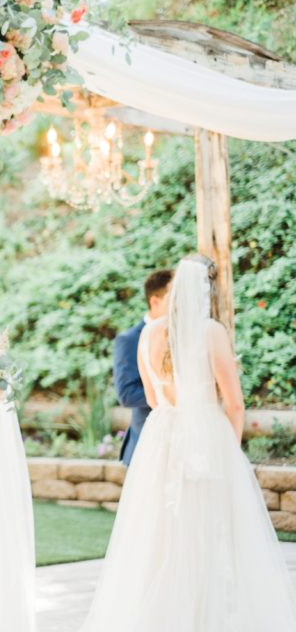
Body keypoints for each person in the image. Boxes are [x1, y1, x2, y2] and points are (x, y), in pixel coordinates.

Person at [81, 254, 296, 631]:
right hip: (203, 436)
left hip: (161, 437)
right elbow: (234, 402)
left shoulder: (148, 333)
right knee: (209, 528)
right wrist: (227, 446)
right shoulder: (210, 331)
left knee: (160, 532)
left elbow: (149, 397)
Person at [114, 269, 172, 465]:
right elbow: (127, 394)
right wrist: (171, 396)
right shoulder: (130, 339)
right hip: (147, 441)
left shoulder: (184, 334)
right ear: (155, 301)